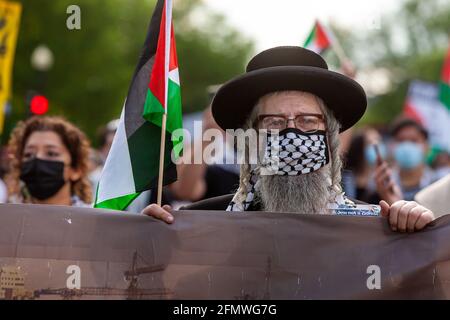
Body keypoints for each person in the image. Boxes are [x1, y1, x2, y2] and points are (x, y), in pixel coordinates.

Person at [142, 46, 436, 232]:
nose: (292, 133)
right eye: (274, 122)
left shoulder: (369, 225)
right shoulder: (203, 221)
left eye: (308, 121)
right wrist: (151, 239)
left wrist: (416, 229)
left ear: (330, 136)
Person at [5, 116, 92, 207]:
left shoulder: (93, 220)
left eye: (51, 153)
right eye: (28, 154)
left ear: (76, 169)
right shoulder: (7, 218)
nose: (37, 158)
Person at [374, 118, 439, 204]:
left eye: (414, 140)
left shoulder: (439, 186)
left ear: (426, 147)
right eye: (401, 140)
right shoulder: (381, 188)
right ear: (392, 146)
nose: (407, 146)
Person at [342, 127, 385, 202]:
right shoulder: (344, 179)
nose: (376, 146)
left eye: (379, 141)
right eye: (369, 143)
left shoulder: (384, 178)